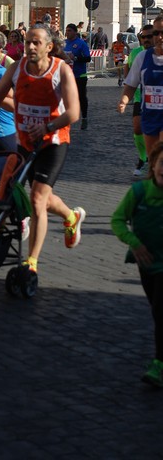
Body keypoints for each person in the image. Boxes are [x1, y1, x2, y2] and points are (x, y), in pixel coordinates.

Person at [0, 24, 85, 277]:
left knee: (37, 200)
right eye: (27, 42)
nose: (30, 47)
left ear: (49, 47)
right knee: (41, 198)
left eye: (36, 43)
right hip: (26, 143)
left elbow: (74, 113)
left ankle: (31, 261)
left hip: (53, 142)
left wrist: (47, 126)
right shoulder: (16, 69)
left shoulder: (61, 71)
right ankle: (71, 216)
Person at [111, 142, 163, 387]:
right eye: (162, 163)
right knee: (156, 309)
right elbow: (118, 220)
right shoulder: (139, 192)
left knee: (161, 312)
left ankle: (158, 364)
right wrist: (134, 242)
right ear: (153, 165)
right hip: (146, 264)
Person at [118, 15, 163, 159]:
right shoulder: (142, 57)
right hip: (150, 115)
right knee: (154, 161)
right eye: (156, 33)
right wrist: (124, 101)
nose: (159, 37)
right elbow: (131, 84)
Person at [123, 24, 154, 176]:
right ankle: (143, 158)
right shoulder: (137, 53)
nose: (146, 39)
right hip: (140, 97)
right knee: (137, 128)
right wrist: (125, 94)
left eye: (150, 36)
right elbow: (127, 67)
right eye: (144, 37)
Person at [64, 23, 91, 130]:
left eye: (70, 31)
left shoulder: (81, 44)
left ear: (75, 32)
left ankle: (84, 117)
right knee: (65, 97)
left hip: (79, 75)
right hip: (66, 75)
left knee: (81, 96)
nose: (67, 33)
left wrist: (75, 58)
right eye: (66, 30)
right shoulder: (64, 43)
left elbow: (88, 58)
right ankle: (66, 118)